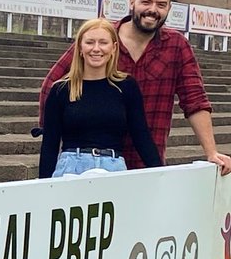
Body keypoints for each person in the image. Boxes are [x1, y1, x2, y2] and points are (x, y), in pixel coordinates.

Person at [39, 0, 231, 259]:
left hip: (139, 164)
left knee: (132, 254)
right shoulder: (101, 38)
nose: (152, 10)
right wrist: (57, 136)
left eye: (161, 5)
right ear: (132, 1)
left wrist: (210, 151)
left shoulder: (176, 47)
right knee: (94, 257)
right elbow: (53, 85)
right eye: (147, 1)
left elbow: (194, 98)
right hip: (86, 166)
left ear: (168, 10)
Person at [38, 18, 162, 180]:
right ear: (80, 48)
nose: (96, 49)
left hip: (113, 167)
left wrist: (162, 175)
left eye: (103, 43)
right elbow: (50, 145)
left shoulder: (127, 87)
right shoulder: (60, 90)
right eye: (90, 42)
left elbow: (141, 136)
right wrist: (43, 187)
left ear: (113, 48)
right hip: (71, 168)